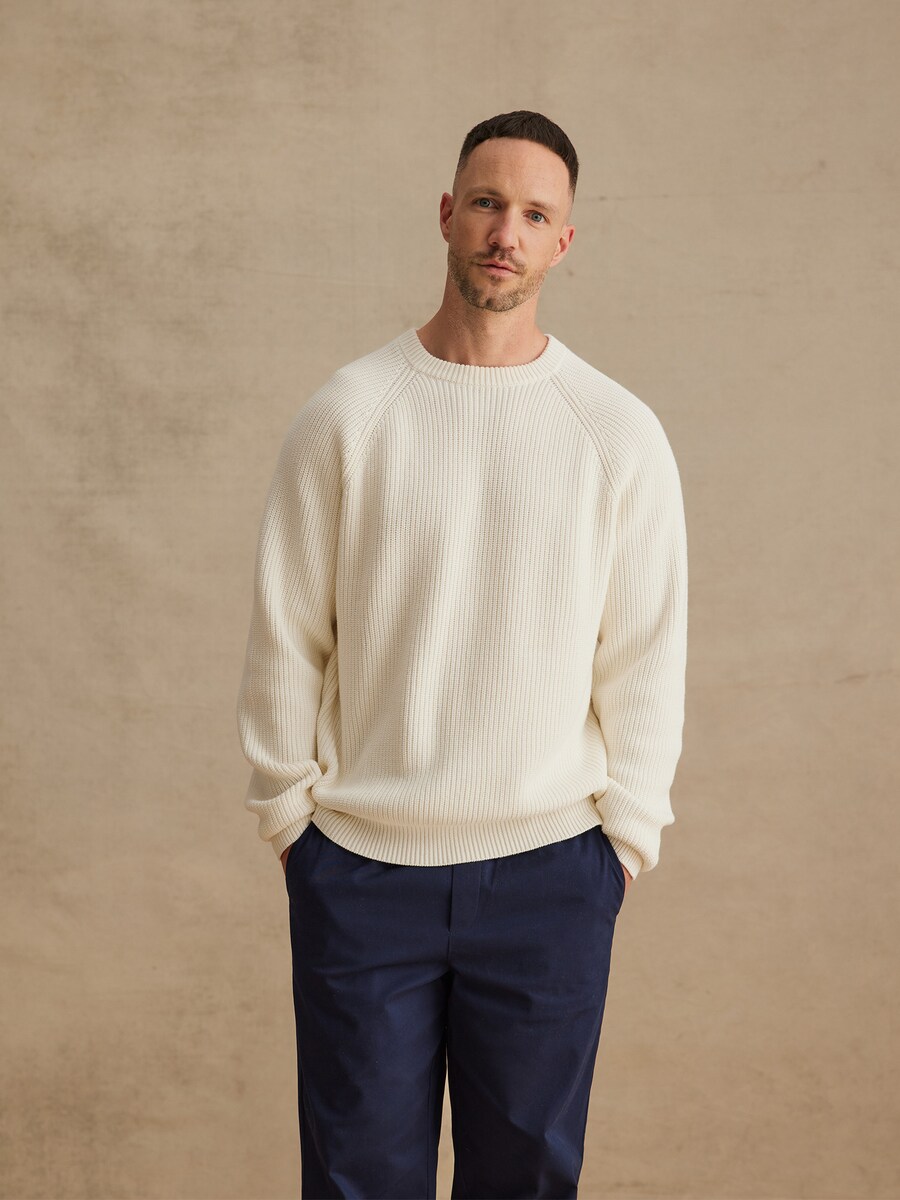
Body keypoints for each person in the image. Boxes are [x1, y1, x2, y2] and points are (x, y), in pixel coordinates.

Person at [236, 109, 688, 1199]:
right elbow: (290, 634)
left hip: (552, 874)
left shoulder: (616, 434)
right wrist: (292, 822)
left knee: (525, 1181)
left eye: (534, 214)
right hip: (361, 871)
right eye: (487, 203)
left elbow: (645, 654)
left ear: (563, 241)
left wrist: (621, 845)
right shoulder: (348, 416)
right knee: (357, 1179)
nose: (504, 233)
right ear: (447, 213)